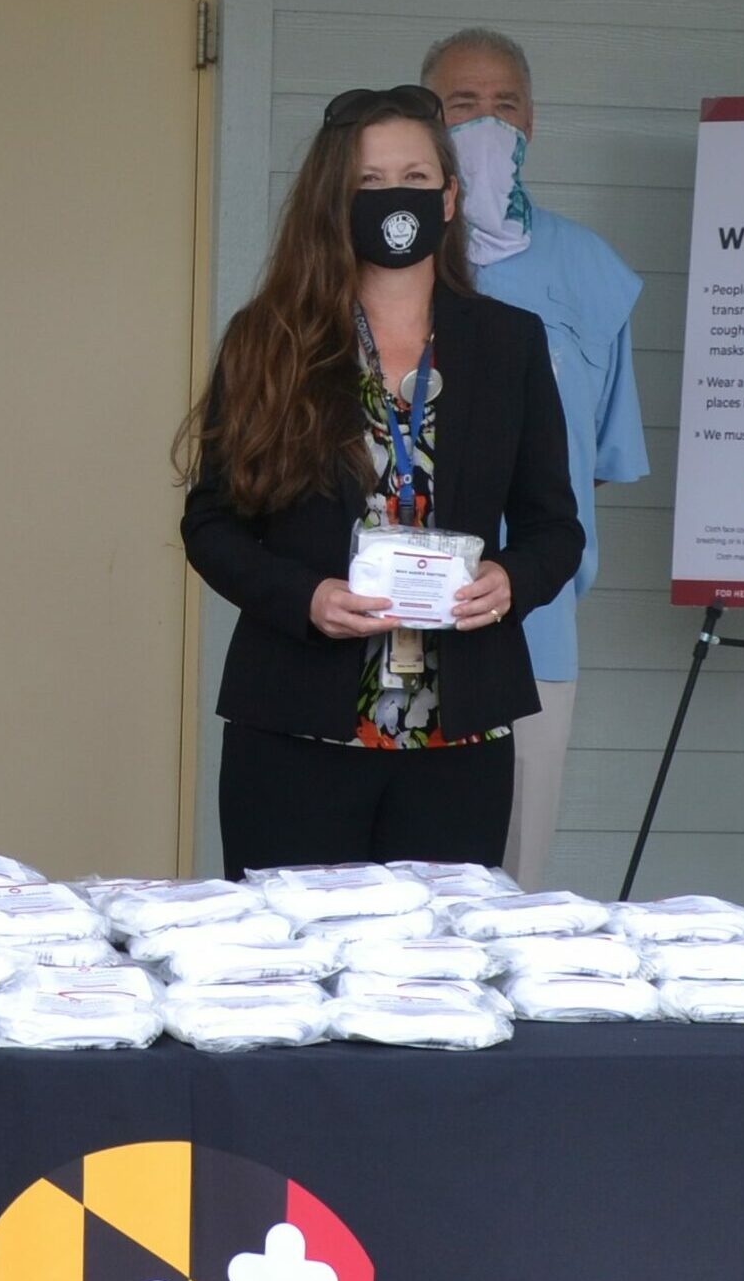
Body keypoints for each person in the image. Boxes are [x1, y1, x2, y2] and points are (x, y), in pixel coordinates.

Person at [179, 85, 581, 877]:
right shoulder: (271, 339)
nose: (394, 198)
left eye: (415, 178)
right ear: (334, 199)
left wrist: (509, 579)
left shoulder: (509, 344)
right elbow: (211, 524)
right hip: (293, 734)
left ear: (450, 197)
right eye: (368, 183)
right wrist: (304, 598)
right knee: (287, 978)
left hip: (459, 742)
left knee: (431, 983)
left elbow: (554, 528)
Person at [422, 28, 649, 891]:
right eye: (460, 105)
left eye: (505, 103)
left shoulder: (590, 271)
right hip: (389, 614)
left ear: (534, 120)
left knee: (506, 878)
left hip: (534, 625)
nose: (487, 123)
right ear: (423, 122)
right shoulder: (389, 263)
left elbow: (588, 461)